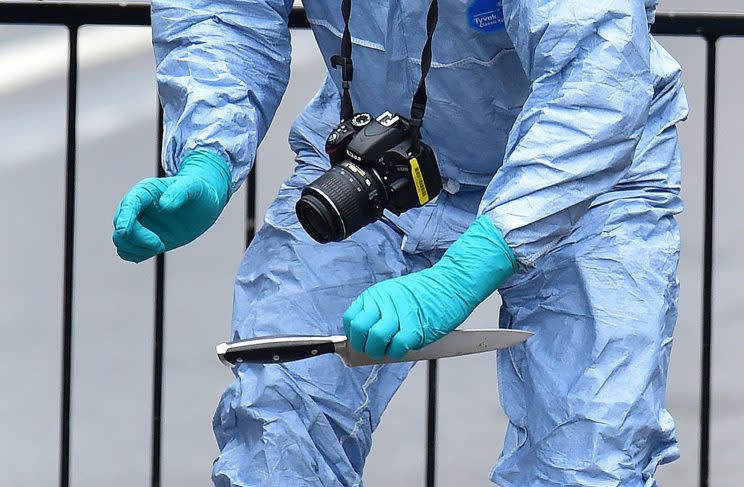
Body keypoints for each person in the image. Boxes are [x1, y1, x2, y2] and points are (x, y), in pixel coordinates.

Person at [112, 0, 688, 485]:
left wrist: (468, 268)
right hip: (376, 165)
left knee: (589, 452)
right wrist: (208, 157)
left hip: (589, 181)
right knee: (279, 421)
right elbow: (224, 11)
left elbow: (595, 76)